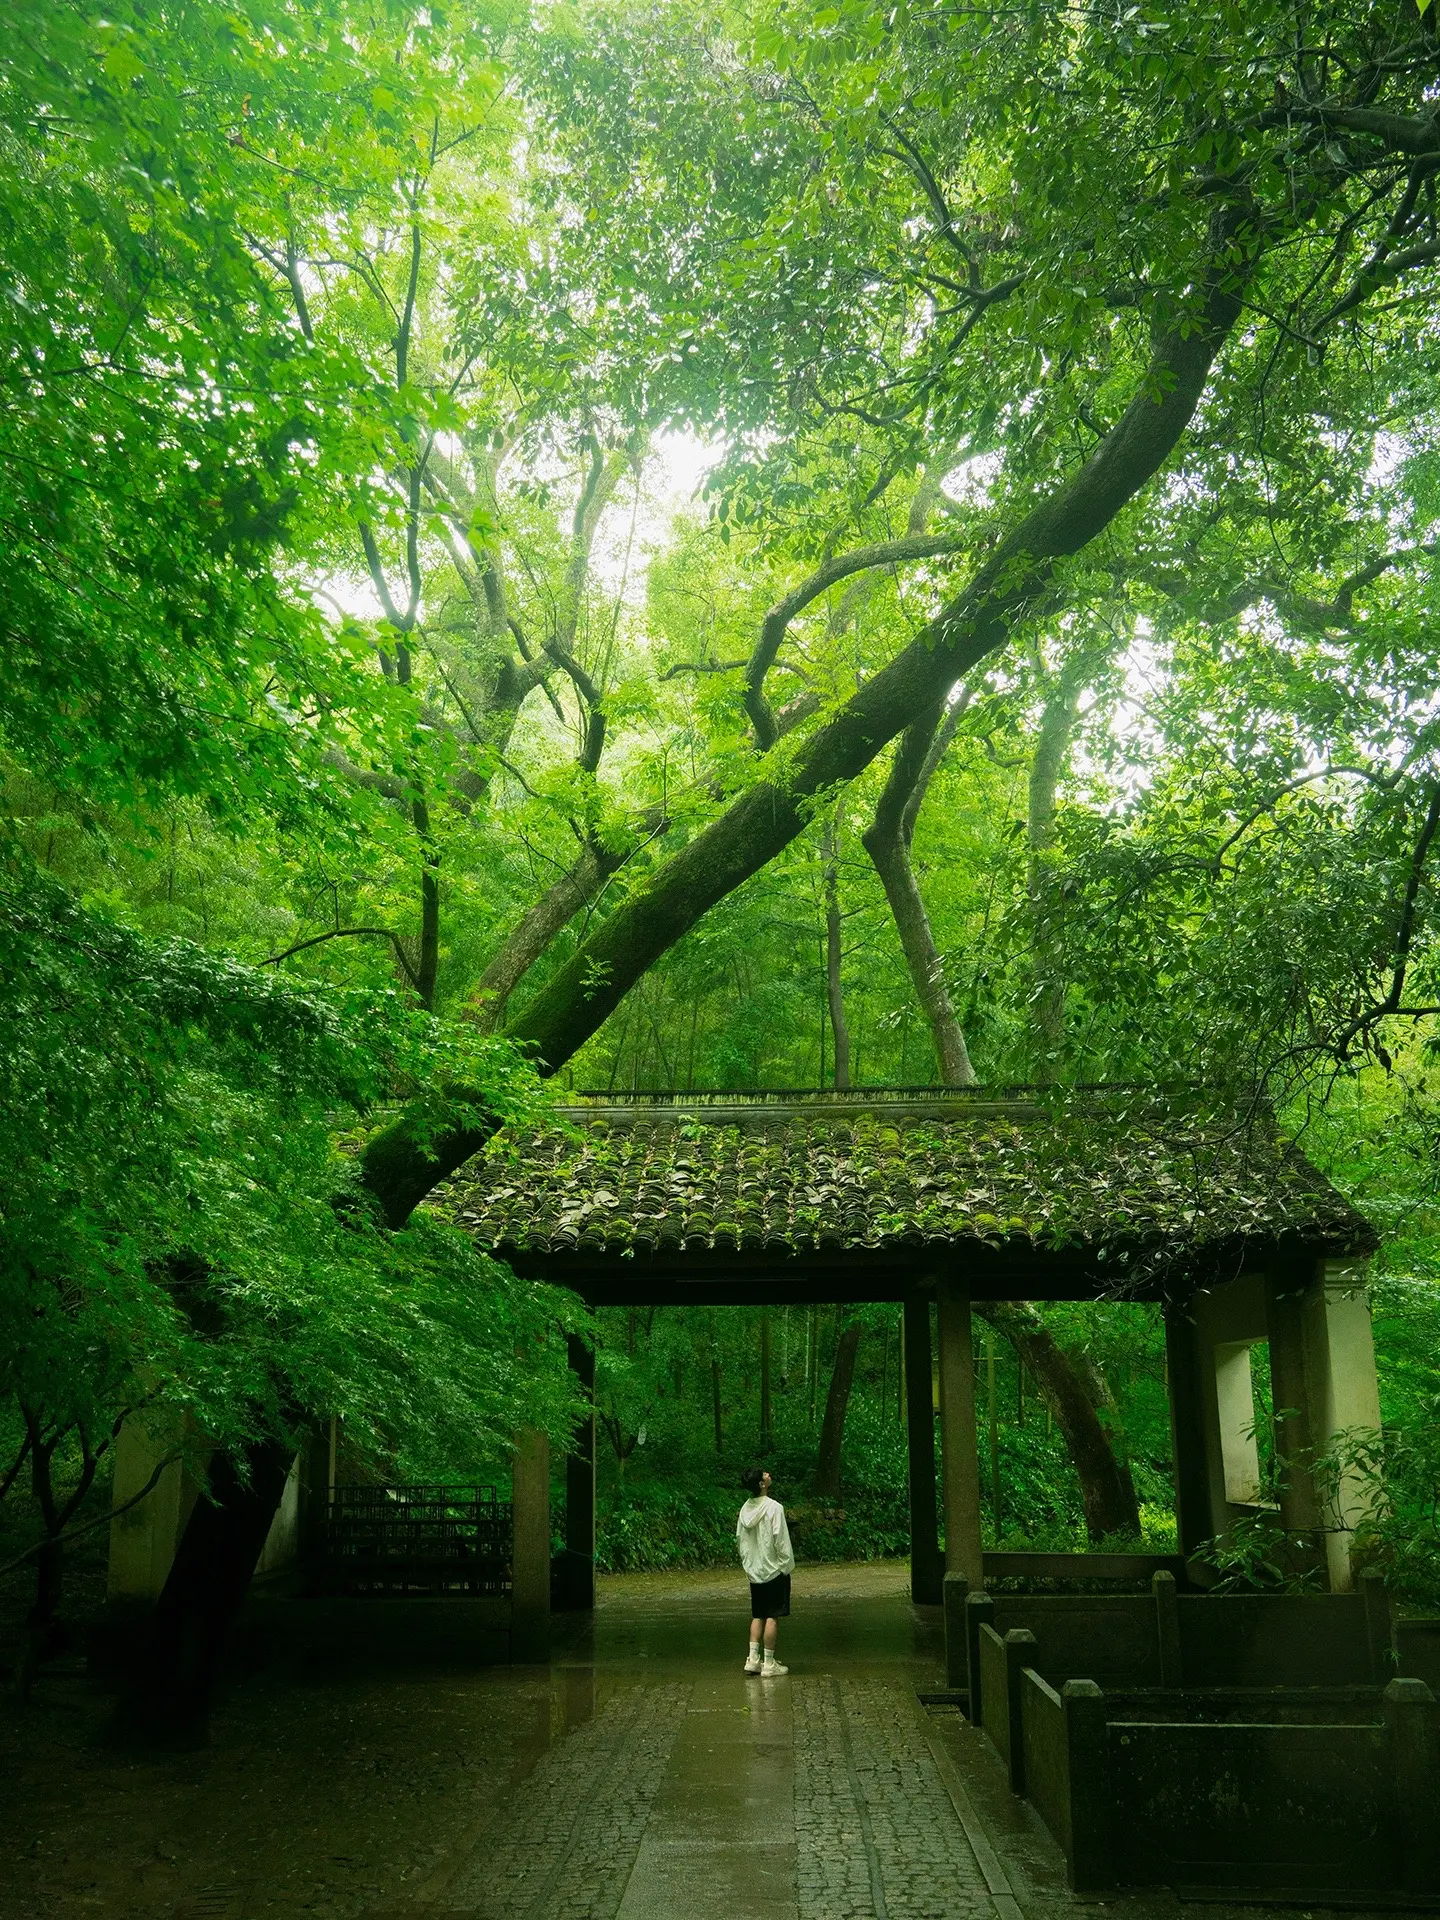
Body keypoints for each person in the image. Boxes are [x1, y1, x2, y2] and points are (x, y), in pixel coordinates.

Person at [736, 1466, 794, 1675]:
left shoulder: (744, 1509)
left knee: (758, 1614)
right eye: (765, 1475)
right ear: (762, 1484)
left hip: (755, 1570)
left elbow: (740, 1540)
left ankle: (752, 1659)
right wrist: (785, 1565)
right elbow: (781, 1539)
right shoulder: (774, 1508)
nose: (769, 1474)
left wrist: (748, 1564)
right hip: (773, 1569)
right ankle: (769, 1663)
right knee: (773, 1615)